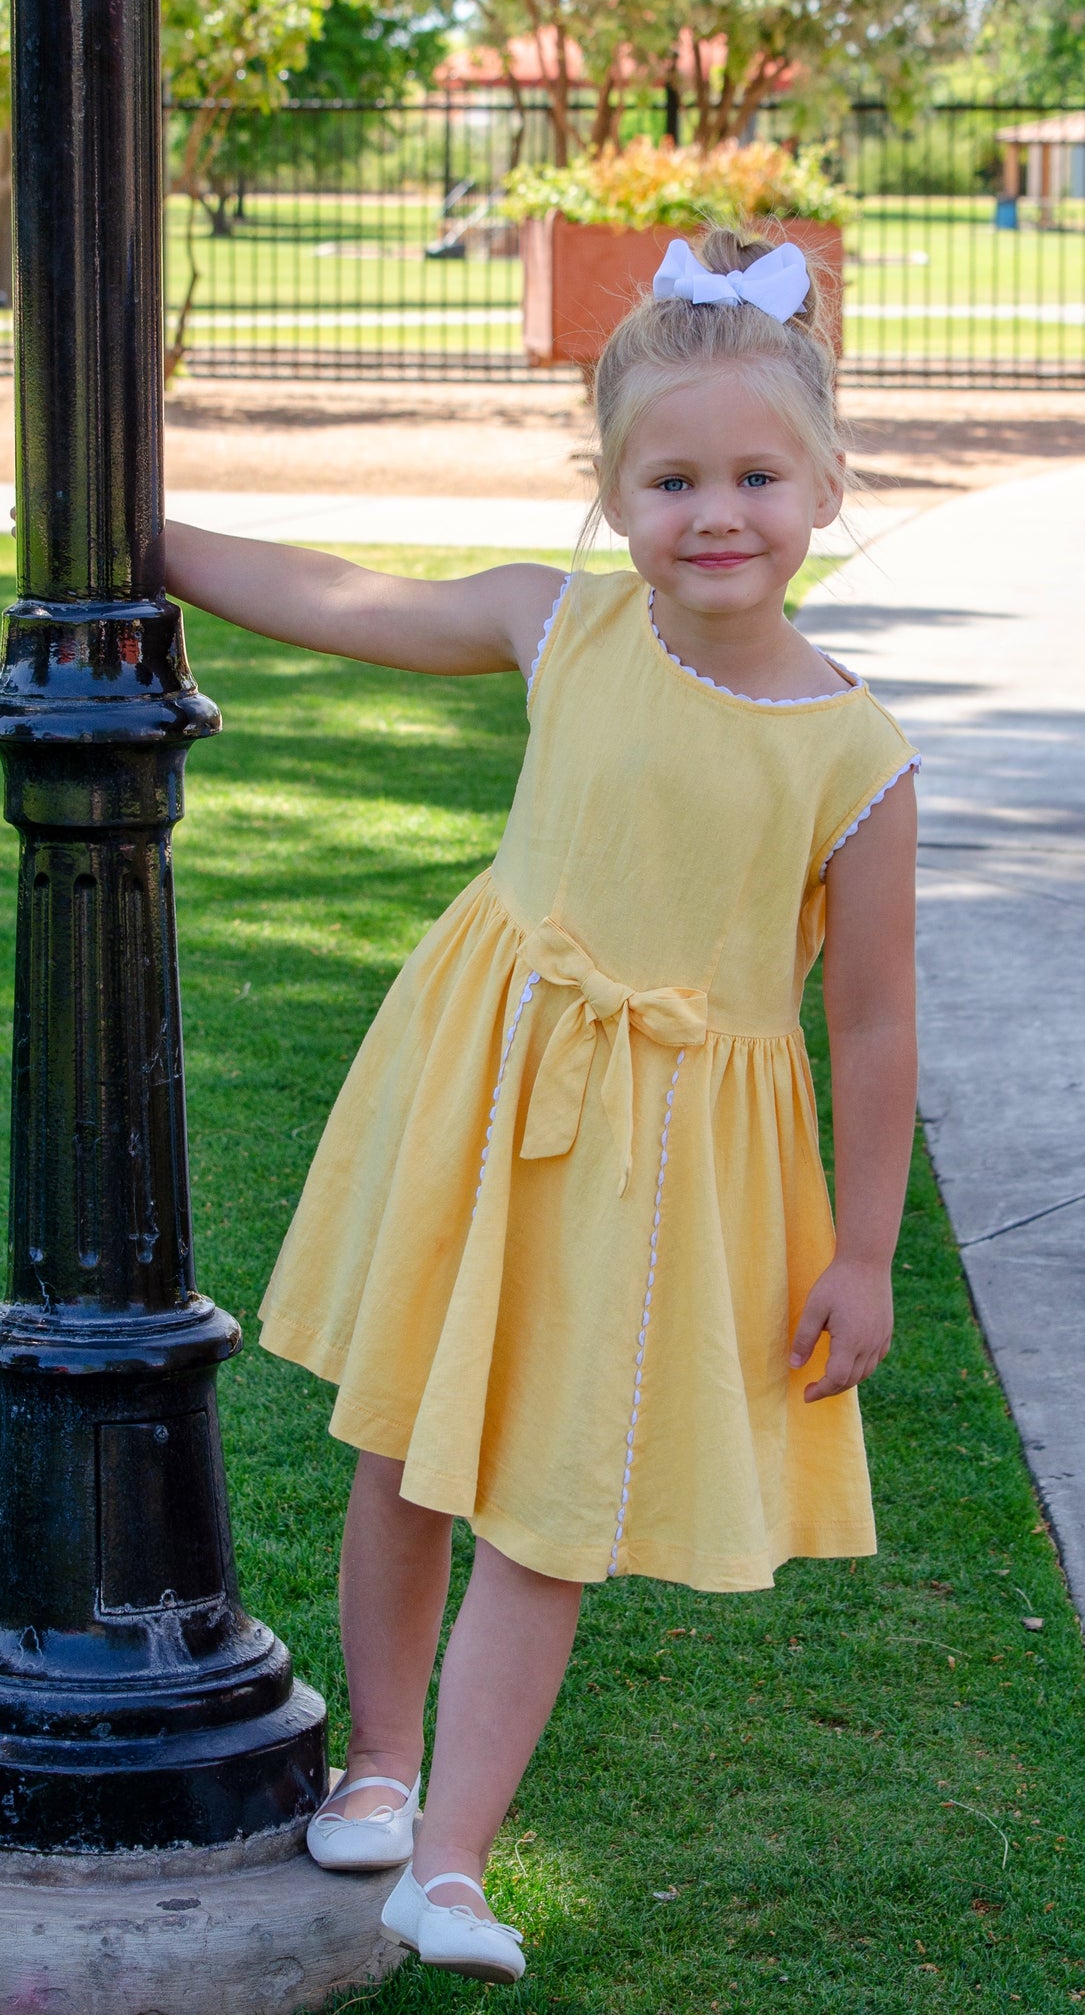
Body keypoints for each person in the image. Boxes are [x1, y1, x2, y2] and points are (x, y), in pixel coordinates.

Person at [163, 229, 919, 1987]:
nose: (712, 512)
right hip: (483, 1088)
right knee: (405, 1443)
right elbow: (342, 597)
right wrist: (138, 534)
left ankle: (451, 1864)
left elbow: (873, 1029)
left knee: (549, 1496)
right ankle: (378, 1756)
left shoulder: (856, 756)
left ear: (821, 483)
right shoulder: (554, 623)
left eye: (752, 475)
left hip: (662, 1163)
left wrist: (862, 1251)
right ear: (610, 490)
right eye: (669, 478)